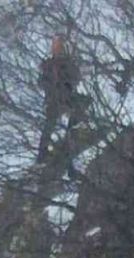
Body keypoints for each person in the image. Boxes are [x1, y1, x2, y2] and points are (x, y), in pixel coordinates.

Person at [37, 35, 83, 165]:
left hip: (66, 97)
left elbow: (75, 78)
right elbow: (41, 82)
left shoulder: (69, 63)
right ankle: (42, 154)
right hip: (53, 99)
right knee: (49, 126)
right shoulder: (48, 64)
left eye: (59, 46)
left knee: (73, 120)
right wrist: (50, 85)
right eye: (55, 46)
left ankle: (70, 145)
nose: (57, 49)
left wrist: (65, 85)